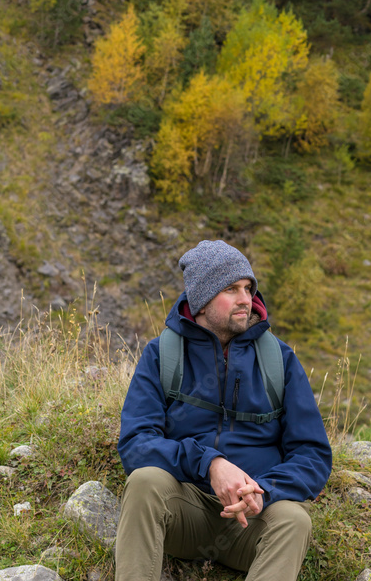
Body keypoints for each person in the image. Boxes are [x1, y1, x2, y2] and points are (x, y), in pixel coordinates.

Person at [116, 239, 332, 581]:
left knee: (295, 519)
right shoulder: (162, 355)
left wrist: (264, 490)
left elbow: (313, 454)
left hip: (254, 523)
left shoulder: (280, 359)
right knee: (144, 482)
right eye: (231, 289)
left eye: (248, 288)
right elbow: (135, 443)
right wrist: (210, 464)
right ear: (201, 299)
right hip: (185, 512)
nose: (246, 299)